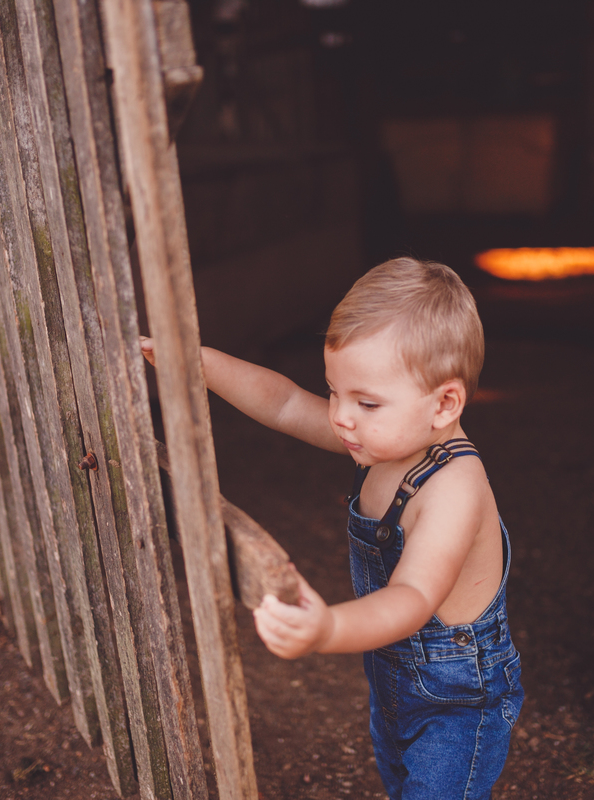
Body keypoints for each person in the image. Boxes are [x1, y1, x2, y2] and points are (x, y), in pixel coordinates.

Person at [141, 257, 523, 799]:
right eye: (335, 391)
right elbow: (285, 403)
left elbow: (414, 596)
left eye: (365, 401)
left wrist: (326, 631)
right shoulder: (381, 438)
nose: (341, 416)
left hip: (457, 702)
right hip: (395, 679)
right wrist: (198, 364)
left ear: (444, 404)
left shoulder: (455, 489)